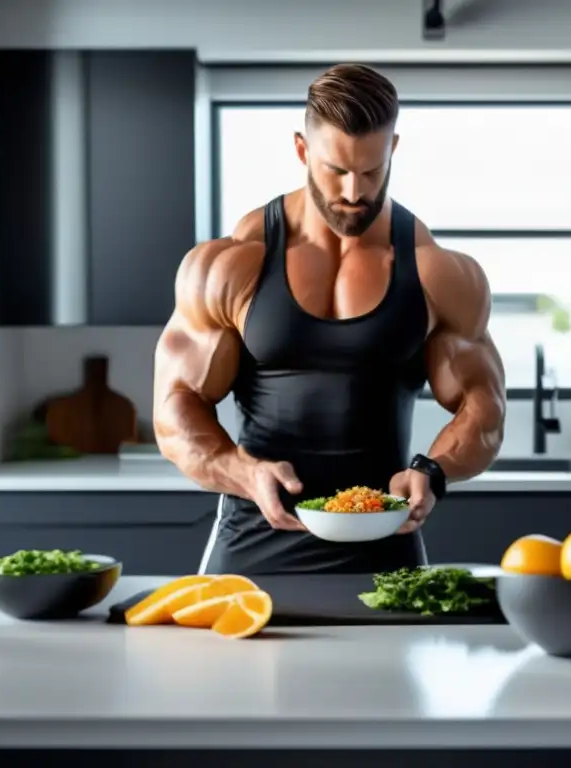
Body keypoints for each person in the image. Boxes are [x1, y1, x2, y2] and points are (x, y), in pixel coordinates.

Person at [153, 63, 506, 575]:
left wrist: (435, 470)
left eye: (371, 171)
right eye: (335, 170)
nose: (354, 192)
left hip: (386, 548)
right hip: (254, 545)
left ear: (393, 151)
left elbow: (484, 408)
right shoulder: (233, 264)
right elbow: (175, 407)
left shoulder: (439, 273)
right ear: (302, 150)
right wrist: (242, 472)